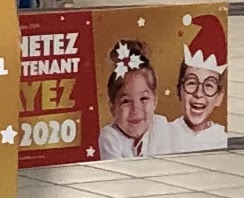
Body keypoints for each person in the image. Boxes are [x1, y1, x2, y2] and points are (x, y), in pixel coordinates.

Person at [162, 13, 230, 151]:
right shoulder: (163, 134)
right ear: (179, 91)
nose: (199, 93)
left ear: (219, 97)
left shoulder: (222, 138)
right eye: (192, 83)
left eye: (209, 85)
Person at [97, 37, 164, 158]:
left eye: (144, 99)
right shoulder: (110, 137)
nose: (135, 110)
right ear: (113, 108)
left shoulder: (162, 127)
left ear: (155, 100)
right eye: (126, 101)